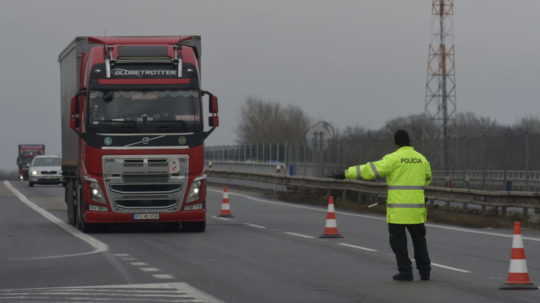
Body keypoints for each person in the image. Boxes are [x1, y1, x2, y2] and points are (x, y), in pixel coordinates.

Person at [344, 129, 432, 281]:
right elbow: (428, 178)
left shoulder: (393, 158)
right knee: (420, 242)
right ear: (409, 141)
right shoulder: (421, 159)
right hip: (417, 212)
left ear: (396, 142)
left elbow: (370, 170)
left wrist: (347, 172)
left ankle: (405, 272)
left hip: (398, 212)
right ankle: (425, 272)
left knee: (399, 244)